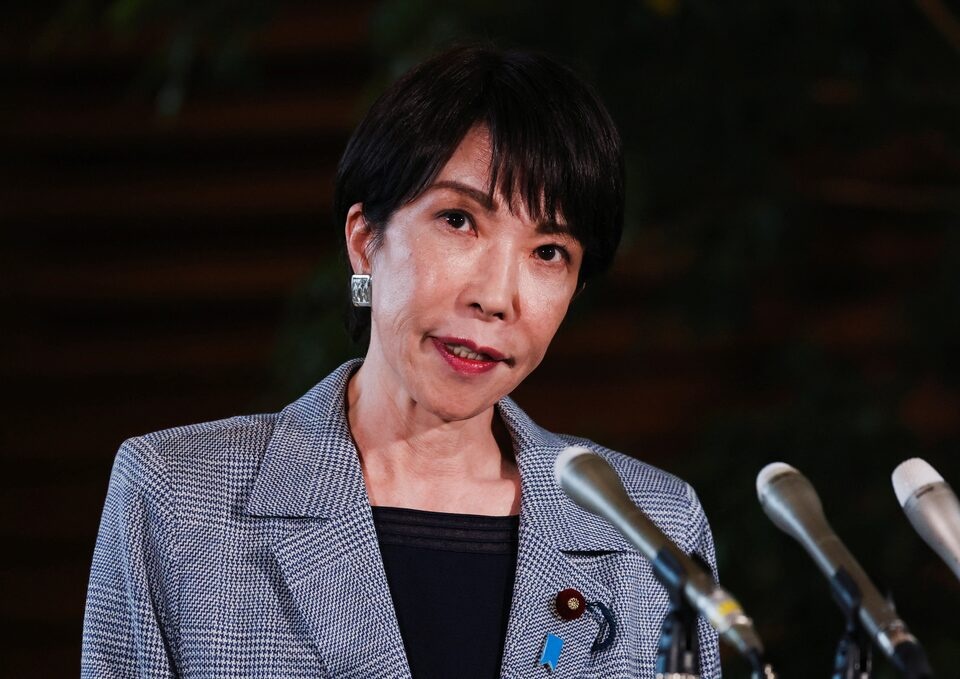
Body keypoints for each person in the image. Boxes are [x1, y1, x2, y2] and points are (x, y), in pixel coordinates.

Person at [82, 46, 721, 678]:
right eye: (458, 219)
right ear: (366, 241)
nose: (496, 297)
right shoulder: (179, 498)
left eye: (549, 252)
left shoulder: (652, 530)